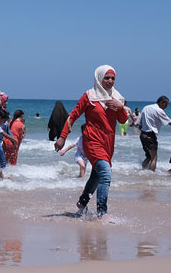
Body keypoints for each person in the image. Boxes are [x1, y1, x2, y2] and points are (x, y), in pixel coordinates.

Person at [54, 65, 128, 221]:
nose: (110, 81)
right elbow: (72, 116)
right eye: (106, 78)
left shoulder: (117, 98)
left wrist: (120, 107)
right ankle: (102, 212)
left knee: (96, 175)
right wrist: (62, 137)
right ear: (99, 78)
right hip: (91, 139)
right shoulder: (89, 96)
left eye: (112, 78)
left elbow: (123, 120)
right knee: (106, 174)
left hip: (108, 142)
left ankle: (82, 203)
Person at [139, 96, 171, 172]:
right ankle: (151, 175)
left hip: (142, 135)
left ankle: (143, 171)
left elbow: (139, 124)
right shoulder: (159, 110)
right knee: (154, 158)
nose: (166, 107)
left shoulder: (146, 108)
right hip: (150, 136)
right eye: (166, 104)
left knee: (148, 156)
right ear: (161, 102)